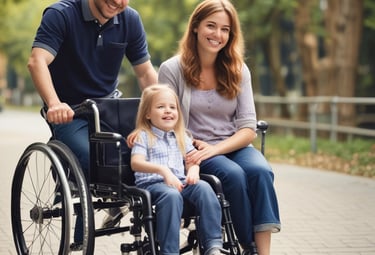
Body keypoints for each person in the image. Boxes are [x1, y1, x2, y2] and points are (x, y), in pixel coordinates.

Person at [27, 0, 158, 249]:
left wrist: (164, 109)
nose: (119, 2)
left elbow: (144, 73)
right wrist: (54, 103)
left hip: (109, 110)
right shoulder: (61, 15)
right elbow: (37, 62)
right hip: (70, 112)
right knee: (94, 158)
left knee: (151, 149)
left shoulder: (130, 19)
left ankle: (138, 209)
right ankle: (97, 199)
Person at [157, 1, 281, 255]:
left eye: (225, 29)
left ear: (231, 35)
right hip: (192, 149)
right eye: (211, 26)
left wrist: (215, 149)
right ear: (195, 27)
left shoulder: (238, 69)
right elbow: (168, 122)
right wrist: (197, 148)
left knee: (261, 172)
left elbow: (247, 128)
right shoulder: (172, 70)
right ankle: (250, 246)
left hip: (229, 145)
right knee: (233, 175)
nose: (217, 35)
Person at [130, 84, 223, 255]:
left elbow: (192, 160)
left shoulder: (181, 136)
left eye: (172, 107)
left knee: (204, 187)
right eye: (160, 107)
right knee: (171, 195)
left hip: (180, 182)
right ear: (148, 114)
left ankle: (213, 244)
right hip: (153, 185)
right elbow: (136, 162)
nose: (168, 111)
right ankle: (169, 251)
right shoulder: (143, 135)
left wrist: (193, 170)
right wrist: (163, 171)